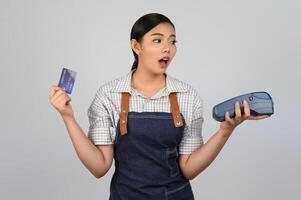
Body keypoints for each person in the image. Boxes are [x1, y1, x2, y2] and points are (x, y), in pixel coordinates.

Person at [49, 13, 268, 200]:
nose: (167, 49)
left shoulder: (187, 96)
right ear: (136, 46)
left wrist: (225, 131)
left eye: (172, 42)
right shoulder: (109, 95)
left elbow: (189, 169)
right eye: (157, 40)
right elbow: (99, 167)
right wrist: (68, 117)